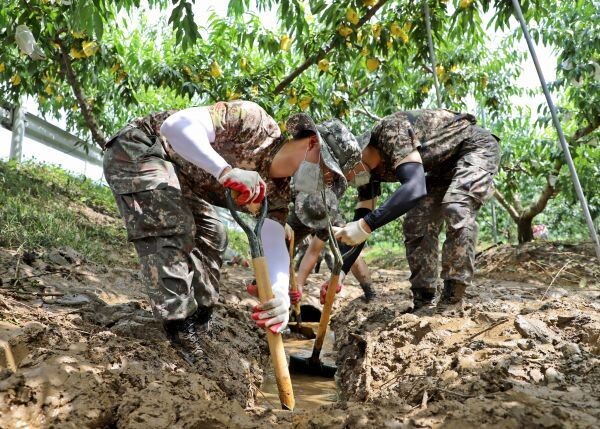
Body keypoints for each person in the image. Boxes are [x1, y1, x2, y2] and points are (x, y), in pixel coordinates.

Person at [103, 100, 360, 361]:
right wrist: (226, 171)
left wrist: (281, 295)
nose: (325, 182)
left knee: (214, 234)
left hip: (179, 179)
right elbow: (174, 127)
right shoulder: (254, 124)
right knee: (174, 224)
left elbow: (273, 242)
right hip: (141, 148)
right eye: (327, 172)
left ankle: (200, 318)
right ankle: (178, 326)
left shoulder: (279, 193)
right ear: (313, 143)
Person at [332, 109, 500, 313]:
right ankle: (423, 299)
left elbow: (414, 188)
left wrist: (366, 225)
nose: (348, 181)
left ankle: (452, 298)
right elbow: (360, 222)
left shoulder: (389, 131)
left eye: (345, 174)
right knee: (417, 221)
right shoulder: (366, 174)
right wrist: (340, 273)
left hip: (474, 147)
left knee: (457, 206)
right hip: (441, 167)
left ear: (353, 158)